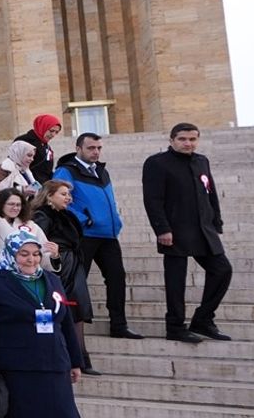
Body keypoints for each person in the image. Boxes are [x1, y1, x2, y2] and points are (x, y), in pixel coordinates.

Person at [0, 231, 83, 418]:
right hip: (16, 370)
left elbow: (66, 323)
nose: (31, 259)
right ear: (11, 253)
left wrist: (75, 361)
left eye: (36, 253)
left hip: (55, 365)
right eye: (24, 254)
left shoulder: (52, 280)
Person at [142, 122, 233, 342]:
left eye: (192, 139)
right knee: (176, 282)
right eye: (182, 139)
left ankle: (203, 319)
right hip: (174, 231)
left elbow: (210, 194)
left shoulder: (202, 161)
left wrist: (216, 222)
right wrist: (162, 229)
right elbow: (153, 200)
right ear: (171, 140)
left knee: (222, 270)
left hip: (203, 229)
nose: (188, 143)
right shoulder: (157, 163)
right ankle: (175, 326)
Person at [54, 133, 143, 339]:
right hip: (83, 235)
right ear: (79, 149)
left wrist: (116, 221)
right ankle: (70, 328)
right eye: (91, 148)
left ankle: (119, 325)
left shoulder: (102, 172)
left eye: (98, 148)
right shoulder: (66, 170)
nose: (95, 152)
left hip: (108, 235)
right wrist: (84, 220)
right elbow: (58, 198)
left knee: (116, 278)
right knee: (77, 282)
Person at [32, 180, 99, 375]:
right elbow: (39, 243)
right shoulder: (42, 215)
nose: (68, 198)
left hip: (73, 266)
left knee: (76, 311)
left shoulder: (68, 215)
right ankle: (57, 357)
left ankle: (80, 358)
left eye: (69, 194)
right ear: (49, 195)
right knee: (56, 311)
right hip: (57, 267)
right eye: (63, 194)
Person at [0, 188, 54, 272]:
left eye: (18, 205)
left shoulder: (31, 225)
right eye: (11, 204)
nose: (15, 208)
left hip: (26, 273)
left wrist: (54, 256)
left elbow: (43, 253)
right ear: (1, 204)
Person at [14, 114, 62, 185]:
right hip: (26, 186)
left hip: (43, 187)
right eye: (51, 131)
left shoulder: (46, 146)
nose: (53, 135)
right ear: (42, 127)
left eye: (56, 132)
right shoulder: (24, 141)